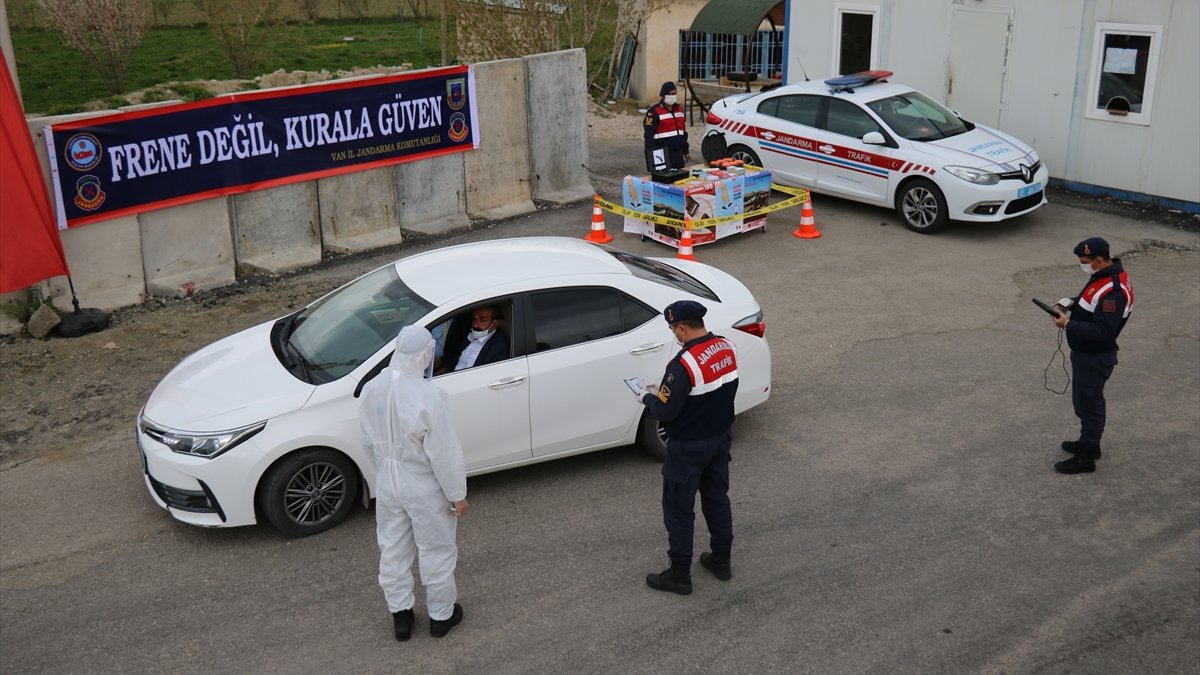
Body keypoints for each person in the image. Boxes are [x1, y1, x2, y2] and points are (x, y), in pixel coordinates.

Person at [360, 325, 469, 640]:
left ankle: (402, 618)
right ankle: (441, 616)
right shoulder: (429, 394)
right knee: (436, 547)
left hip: (388, 479)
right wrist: (456, 495)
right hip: (421, 483)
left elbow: (367, 439)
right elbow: (444, 452)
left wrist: (383, 471)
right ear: (424, 354)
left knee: (392, 547)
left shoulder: (371, 388)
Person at [637, 300, 738, 594]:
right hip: (720, 438)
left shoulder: (682, 365)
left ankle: (679, 574)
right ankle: (721, 560)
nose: (673, 334)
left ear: (682, 328)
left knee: (679, 509)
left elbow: (665, 412)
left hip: (689, 447)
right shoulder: (726, 346)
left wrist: (647, 398)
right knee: (717, 499)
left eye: (672, 329)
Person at [1050, 237, 1134, 474]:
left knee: (1089, 404)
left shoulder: (1114, 292)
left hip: (1095, 357)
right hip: (1085, 354)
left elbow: (1102, 331)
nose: (1082, 265)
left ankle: (1087, 457)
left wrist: (1067, 324)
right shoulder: (1101, 276)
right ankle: (1089, 442)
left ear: (1099, 259)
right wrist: (1072, 302)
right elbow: (1090, 302)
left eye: (1085, 261)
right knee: (1083, 401)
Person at [442, 305, 509, 373]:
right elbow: (458, 360)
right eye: (474, 319)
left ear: (495, 323)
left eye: (483, 320)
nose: (475, 325)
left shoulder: (499, 349)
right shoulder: (471, 335)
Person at [643, 81, 689, 171]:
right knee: (662, 182)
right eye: (670, 94)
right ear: (664, 95)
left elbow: (683, 133)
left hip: (678, 154)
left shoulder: (679, 110)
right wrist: (651, 157)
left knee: (678, 180)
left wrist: (686, 151)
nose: (673, 96)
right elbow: (648, 136)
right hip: (662, 154)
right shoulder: (654, 112)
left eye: (674, 94)